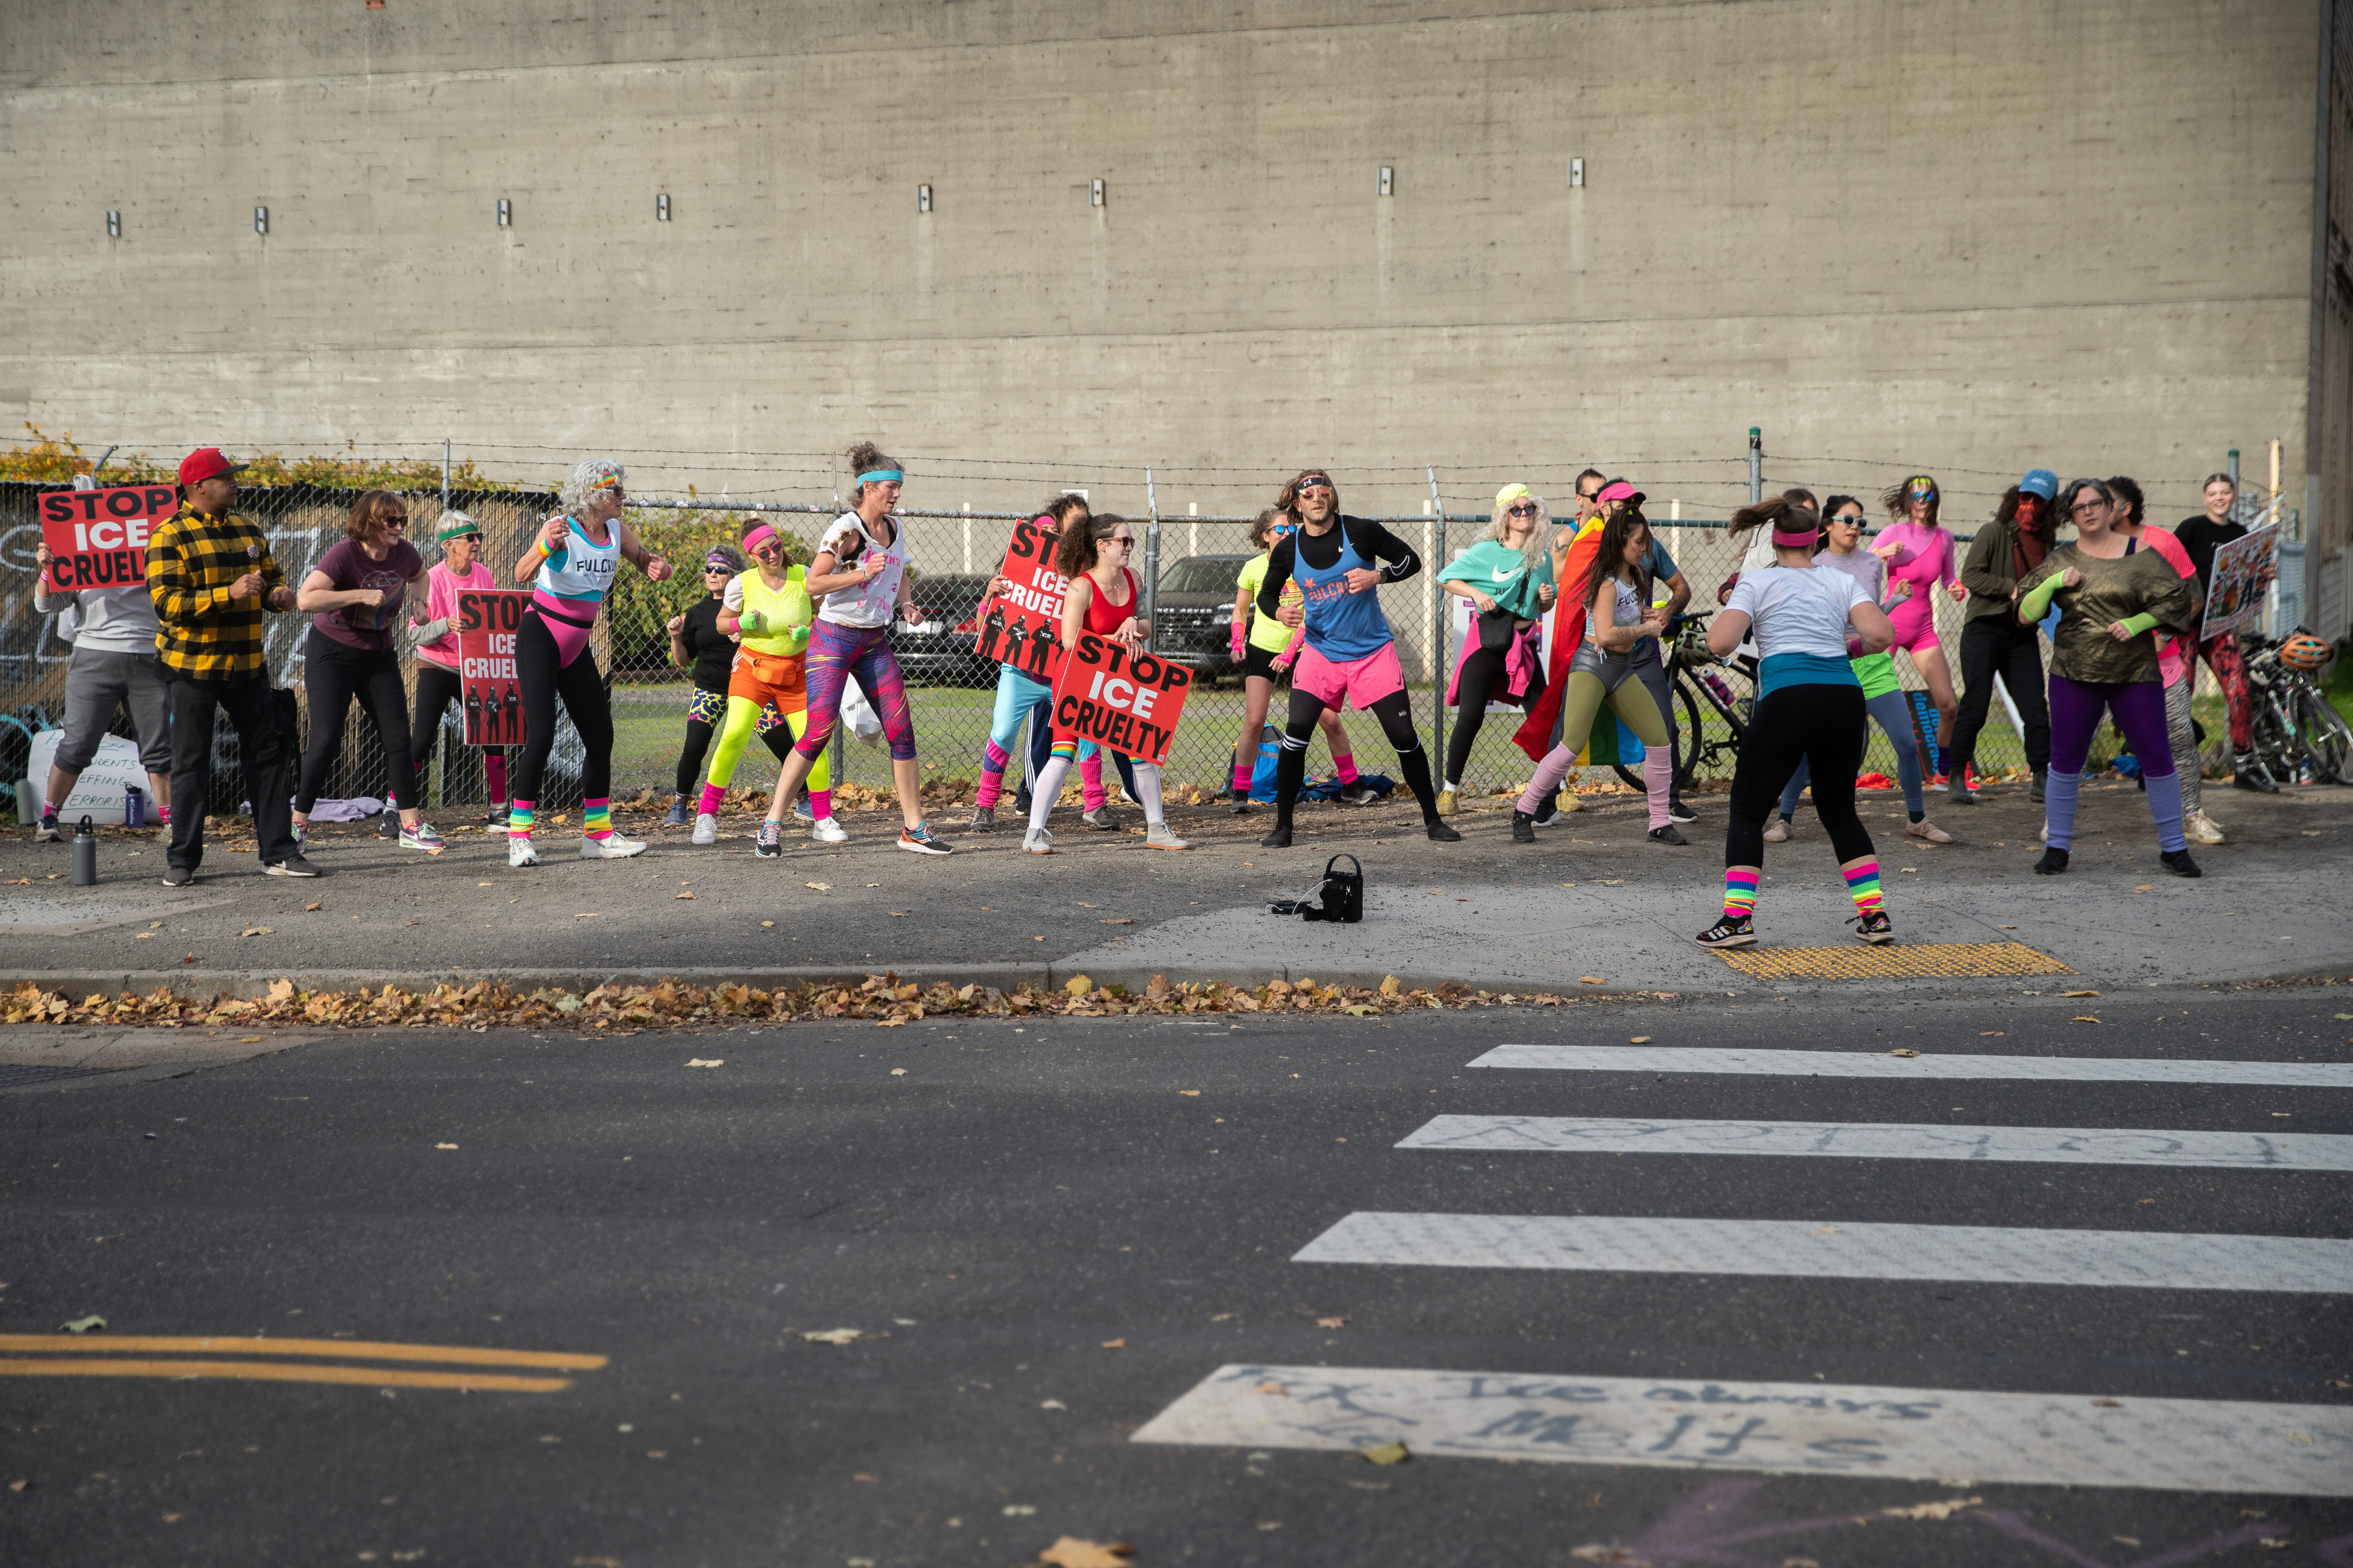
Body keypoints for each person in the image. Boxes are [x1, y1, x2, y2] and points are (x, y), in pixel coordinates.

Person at [1697, 495, 1898, 949]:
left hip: (1789, 697)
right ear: (1816, 539)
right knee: (1840, 810)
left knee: (1749, 810)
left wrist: (1742, 607)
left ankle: (1736, 920)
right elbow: (1882, 635)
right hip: (1844, 699)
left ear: (1773, 539)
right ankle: (1875, 916)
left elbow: (1720, 643)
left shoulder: (1757, 581)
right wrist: (1844, 648)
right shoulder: (1839, 580)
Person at [760, 442, 952, 855]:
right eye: (889, 487)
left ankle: (914, 828)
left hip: (874, 642)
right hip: (834, 639)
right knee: (818, 731)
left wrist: (907, 605)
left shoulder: (895, 529)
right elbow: (813, 583)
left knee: (902, 732)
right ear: (867, 488)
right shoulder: (846, 530)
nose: (896, 494)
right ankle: (773, 823)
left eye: (898, 487)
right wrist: (861, 573)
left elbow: (899, 570)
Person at [1252, 468, 1458, 848]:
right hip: (1320, 653)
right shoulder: (1288, 549)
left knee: (1403, 736)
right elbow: (1265, 595)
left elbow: (1410, 561)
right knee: (1295, 737)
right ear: (1298, 505)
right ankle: (1283, 827)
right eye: (1308, 494)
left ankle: (1433, 820)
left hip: (1371, 652)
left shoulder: (1361, 531)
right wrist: (1279, 613)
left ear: (1332, 497)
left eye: (1322, 491)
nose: (1317, 498)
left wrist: (1376, 577)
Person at [2017, 479, 2199, 878]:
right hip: (2074, 673)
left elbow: (2178, 599)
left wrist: (2138, 623)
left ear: (2110, 506)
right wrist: (2052, 582)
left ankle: (2174, 849)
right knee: (2064, 760)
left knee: (2157, 758)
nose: (2089, 511)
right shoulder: (2062, 557)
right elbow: (2025, 613)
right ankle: (2058, 848)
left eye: (2096, 503)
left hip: (2134, 674)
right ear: (2071, 515)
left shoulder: (2142, 554)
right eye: (2079, 507)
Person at [146, 446, 308, 883]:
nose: (236, 483)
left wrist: (278, 596)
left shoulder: (247, 528)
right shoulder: (170, 534)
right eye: (227, 478)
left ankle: (278, 852)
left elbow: (271, 579)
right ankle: (182, 861)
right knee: (191, 762)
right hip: (192, 667)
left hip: (247, 663)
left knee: (270, 753)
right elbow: (166, 605)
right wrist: (228, 593)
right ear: (199, 487)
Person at [506, 458, 674, 867]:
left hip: (576, 644)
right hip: (542, 635)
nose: (624, 498)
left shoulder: (616, 530)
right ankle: (519, 835)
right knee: (542, 735)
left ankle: (597, 835)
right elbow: (522, 572)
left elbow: (646, 560)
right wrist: (546, 546)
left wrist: (657, 567)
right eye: (617, 491)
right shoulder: (561, 529)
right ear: (593, 495)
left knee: (600, 736)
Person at [1762, 495, 1948, 844]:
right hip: (1832, 663)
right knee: (1805, 744)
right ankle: (1784, 820)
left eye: (1861, 523)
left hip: (1872, 664)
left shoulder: (1873, 564)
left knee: (1907, 743)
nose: (1855, 528)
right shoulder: (1812, 564)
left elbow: (1870, 614)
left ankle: (1917, 819)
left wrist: (1893, 602)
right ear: (1828, 524)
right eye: (1848, 520)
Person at [1507, 500, 1682, 846]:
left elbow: (1625, 619)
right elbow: (1604, 635)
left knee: (1660, 741)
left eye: (1646, 541)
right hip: (1593, 666)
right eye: (1639, 542)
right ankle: (1524, 810)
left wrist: (1645, 616)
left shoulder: (1636, 575)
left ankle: (1659, 822)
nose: (1645, 548)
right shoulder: (1606, 582)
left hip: (1621, 669)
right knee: (1570, 746)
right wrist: (1645, 631)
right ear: (1620, 543)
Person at [1019, 515, 1190, 853]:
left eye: (1130, 542)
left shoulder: (1134, 579)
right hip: (1078, 675)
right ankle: (1034, 832)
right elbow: (1069, 640)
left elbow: (1145, 627)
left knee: (1142, 751)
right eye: (1123, 541)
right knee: (1063, 754)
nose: (1129, 547)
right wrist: (1112, 638)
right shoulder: (1081, 586)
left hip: (1118, 676)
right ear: (1102, 545)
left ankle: (1156, 828)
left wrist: (1131, 623)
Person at [290, 490, 442, 855]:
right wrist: (357, 595)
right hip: (333, 652)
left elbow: (420, 577)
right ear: (370, 522)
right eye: (391, 521)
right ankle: (296, 826)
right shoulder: (345, 553)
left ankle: (410, 826)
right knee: (326, 739)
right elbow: (306, 599)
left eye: (402, 520)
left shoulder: (404, 552)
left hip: (378, 653)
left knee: (399, 739)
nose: (399, 527)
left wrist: (420, 602)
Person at [968, 496, 1122, 832]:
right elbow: (983, 628)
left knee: (1086, 735)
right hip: (1020, 671)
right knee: (1003, 733)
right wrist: (989, 595)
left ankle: (1095, 804)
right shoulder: (1017, 575)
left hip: (1065, 671)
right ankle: (985, 805)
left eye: (1057, 530)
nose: (1051, 536)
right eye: (1044, 531)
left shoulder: (1084, 572)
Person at [30, 509, 173, 845]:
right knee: (78, 742)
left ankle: (172, 823)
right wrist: (48, 571)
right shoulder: (80, 555)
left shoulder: (161, 547)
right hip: (94, 656)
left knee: (158, 746)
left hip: (149, 655)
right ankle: (48, 820)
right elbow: (44, 605)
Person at [708, 525, 847, 854]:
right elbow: (721, 623)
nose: (773, 555)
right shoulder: (742, 584)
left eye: (777, 546)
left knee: (813, 741)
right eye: (763, 552)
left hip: (797, 672)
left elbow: (825, 615)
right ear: (751, 556)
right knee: (734, 733)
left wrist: (809, 632)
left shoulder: (805, 575)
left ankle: (822, 818)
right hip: (753, 669)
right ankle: (707, 814)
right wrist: (740, 624)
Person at [666, 542, 810, 844]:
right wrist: (676, 637)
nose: (713, 575)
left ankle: (805, 798)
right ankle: (680, 805)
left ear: (734, 575)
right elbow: (682, 660)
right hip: (712, 690)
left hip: (751, 687)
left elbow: (774, 632)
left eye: (721, 570)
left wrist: (743, 630)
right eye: (709, 569)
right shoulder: (698, 613)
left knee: (784, 744)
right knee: (695, 745)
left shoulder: (749, 601)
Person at [1228, 506, 1367, 812]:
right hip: (1264, 648)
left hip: (1306, 648)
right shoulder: (1253, 568)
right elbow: (1241, 609)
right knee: (1254, 721)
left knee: (1328, 718)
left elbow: (1316, 612)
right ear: (1265, 537)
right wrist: (1238, 641)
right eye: (1280, 529)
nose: (1289, 533)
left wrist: (1291, 652)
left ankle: (1350, 784)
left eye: (1292, 528)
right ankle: (1240, 792)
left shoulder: (1308, 562)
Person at [2110, 476, 2224, 845]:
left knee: (2180, 739)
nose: (2093, 511)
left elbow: (2193, 597)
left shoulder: (2163, 543)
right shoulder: (2093, 548)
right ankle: (2057, 823)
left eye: (2103, 503)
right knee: (2074, 743)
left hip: (2163, 666)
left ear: (2124, 508)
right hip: (2103, 666)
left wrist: (2164, 635)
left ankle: (2193, 816)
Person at [1437, 485, 1559, 813]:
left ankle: (1556, 792)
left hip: (1523, 645)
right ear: (1503, 515)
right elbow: (1445, 578)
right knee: (1471, 716)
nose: (1523, 515)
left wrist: (1546, 601)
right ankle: (1449, 792)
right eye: (1515, 510)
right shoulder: (1485, 552)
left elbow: (1542, 606)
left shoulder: (1542, 557)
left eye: (1529, 509)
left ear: (1537, 515)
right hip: (1487, 642)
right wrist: (1475, 594)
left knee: (1544, 717)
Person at [1948, 468, 2059, 805]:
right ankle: (1956, 776)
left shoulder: (2047, 540)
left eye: (2037, 500)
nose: (2028, 505)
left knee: (2035, 707)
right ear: (2015, 497)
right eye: (2024, 497)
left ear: (2050, 505)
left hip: (2021, 633)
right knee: (1976, 704)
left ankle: (2041, 776)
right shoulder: (1994, 531)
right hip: (1984, 628)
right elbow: (1970, 576)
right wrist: (2009, 588)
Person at [405, 512, 508, 831]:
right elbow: (414, 633)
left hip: (474, 667)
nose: (477, 543)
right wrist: (444, 624)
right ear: (449, 545)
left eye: (478, 537)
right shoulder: (433, 578)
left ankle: (499, 811)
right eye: (470, 538)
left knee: (495, 733)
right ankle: (396, 808)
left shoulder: (483, 574)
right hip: (437, 664)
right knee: (422, 739)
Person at [2174, 473, 2271, 793]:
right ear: (2205, 498)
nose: (2219, 498)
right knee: (2179, 696)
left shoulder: (2240, 533)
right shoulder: (2192, 528)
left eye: (2225, 492)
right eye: (2213, 493)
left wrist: (2264, 575)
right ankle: (2163, 766)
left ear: (2233, 496)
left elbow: (2246, 581)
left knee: (2240, 690)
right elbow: (2166, 567)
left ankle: (2244, 768)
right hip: (2187, 624)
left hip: (2219, 626)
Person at [1872, 476, 1968, 795]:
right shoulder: (1892, 534)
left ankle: (1943, 774)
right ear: (1905, 502)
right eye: (1915, 496)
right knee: (1861, 702)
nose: (1922, 501)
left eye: (1927, 495)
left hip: (1923, 631)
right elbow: (1862, 566)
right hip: (1889, 627)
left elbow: (1949, 577)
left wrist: (1955, 588)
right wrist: (1883, 552)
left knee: (1949, 707)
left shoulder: (1945, 537)